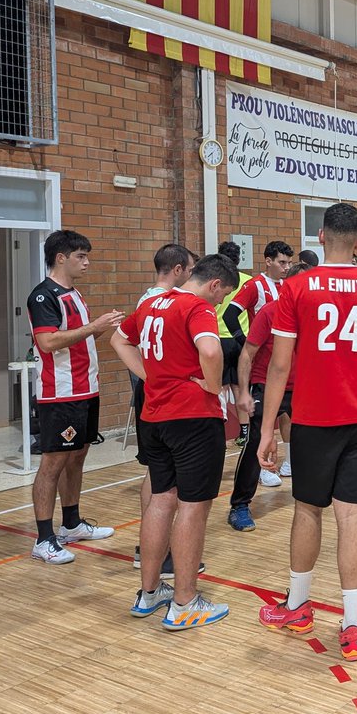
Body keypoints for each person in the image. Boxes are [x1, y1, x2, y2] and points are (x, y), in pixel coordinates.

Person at [256, 203, 357, 663]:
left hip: (313, 420)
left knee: (307, 510)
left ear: (320, 237)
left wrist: (267, 429)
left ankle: (299, 607)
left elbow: (280, 364)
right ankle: (354, 625)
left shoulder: (295, 288)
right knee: (351, 517)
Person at [112, 253, 238, 629]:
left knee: (160, 501)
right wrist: (214, 385)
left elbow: (119, 341)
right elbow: (211, 350)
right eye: (223, 295)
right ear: (213, 284)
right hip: (193, 418)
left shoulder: (151, 304)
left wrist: (151, 377)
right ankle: (185, 602)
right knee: (193, 507)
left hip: (154, 417)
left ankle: (149, 593)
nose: (219, 303)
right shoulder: (197, 308)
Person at [25, 230, 123, 565]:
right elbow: (48, 342)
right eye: (81, 256)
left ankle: (70, 523)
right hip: (60, 393)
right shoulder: (43, 296)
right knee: (53, 462)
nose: (87, 262)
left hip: (86, 388)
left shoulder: (74, 292)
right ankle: (43, 537)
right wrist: (94, 327)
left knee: (78, 456)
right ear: (61, 257)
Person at [131, 243, 201, 576]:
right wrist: (151, 376)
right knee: (160, 481)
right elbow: (123, 341)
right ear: (177, 270)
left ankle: (153, 549)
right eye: (189, 269)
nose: (191, 276)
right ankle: (152, 549)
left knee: (158, 476)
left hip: (157, 391)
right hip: (164, 395)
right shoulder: (163, 302)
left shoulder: (150, 300)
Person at [227, 263, 309, 533]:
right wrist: (244, 393)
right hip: (266, 385)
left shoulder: (314, 315)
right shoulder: (270, 312)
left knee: (313, 438)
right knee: (255, 444)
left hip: (301, 387)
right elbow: (247, 354)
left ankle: (311, 493)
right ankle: (239, 505)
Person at [214, 240, 251, 446]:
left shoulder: (215, 280)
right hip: (240, 340)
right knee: (240, 387)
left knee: (218, 388)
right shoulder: (248, 281)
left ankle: (219, 430)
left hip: (217, 339)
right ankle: (244, 432)